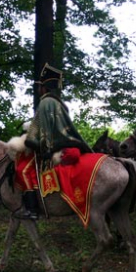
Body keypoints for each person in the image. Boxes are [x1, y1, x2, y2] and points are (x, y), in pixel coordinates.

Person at [15, 64, 91, 220]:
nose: (38, 90)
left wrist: (33, 142)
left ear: (44, 87)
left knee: (22, 170)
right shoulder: (59, 104)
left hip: (53, 148)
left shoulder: (44, 103)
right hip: (66, 144)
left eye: (40, 86)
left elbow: (41, 132)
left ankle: (32, 209)